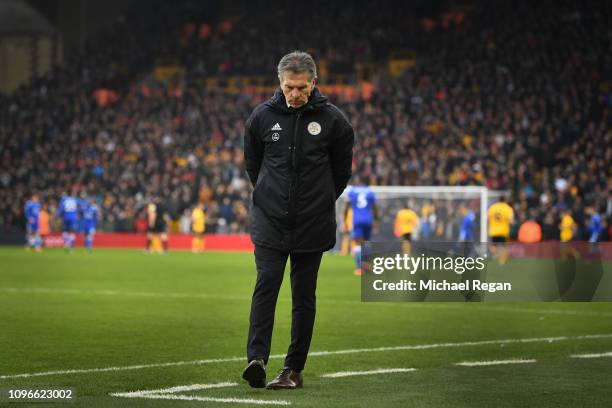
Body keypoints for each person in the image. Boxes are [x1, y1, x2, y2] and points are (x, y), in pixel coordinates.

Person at [242, 51, 353, 390]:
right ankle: (256, 359)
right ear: (280, 83)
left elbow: (340, 175)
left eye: (302, 87)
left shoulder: (335, 122)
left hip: (311, 223)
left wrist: (315, 202)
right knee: (266, 284)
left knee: (303, 295)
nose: (295, 94)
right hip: (270, 221)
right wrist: (272, 199)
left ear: (314, 83)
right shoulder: (261, 118)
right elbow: (253, 167)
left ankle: (292, 369)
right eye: (289, 87)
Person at [345, 181, 378, 276]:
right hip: (368, 219)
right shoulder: (370, 191)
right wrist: (377, 220)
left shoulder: (353, 190)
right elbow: (374, 207)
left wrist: (344, 220)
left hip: (357, 220)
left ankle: (359, 268)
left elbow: (347, 206)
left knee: (358, 244)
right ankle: (367, 264)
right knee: (366, 243)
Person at [487, 197, 514, 266]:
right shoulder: (508, 208)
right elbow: (511, 221)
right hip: (503, 231)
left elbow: (487, 218)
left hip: (493, 230)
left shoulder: (492, 207)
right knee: (503, 247)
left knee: (493, 246)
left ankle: (495, 252)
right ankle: (501, 262)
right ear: (505, 200)